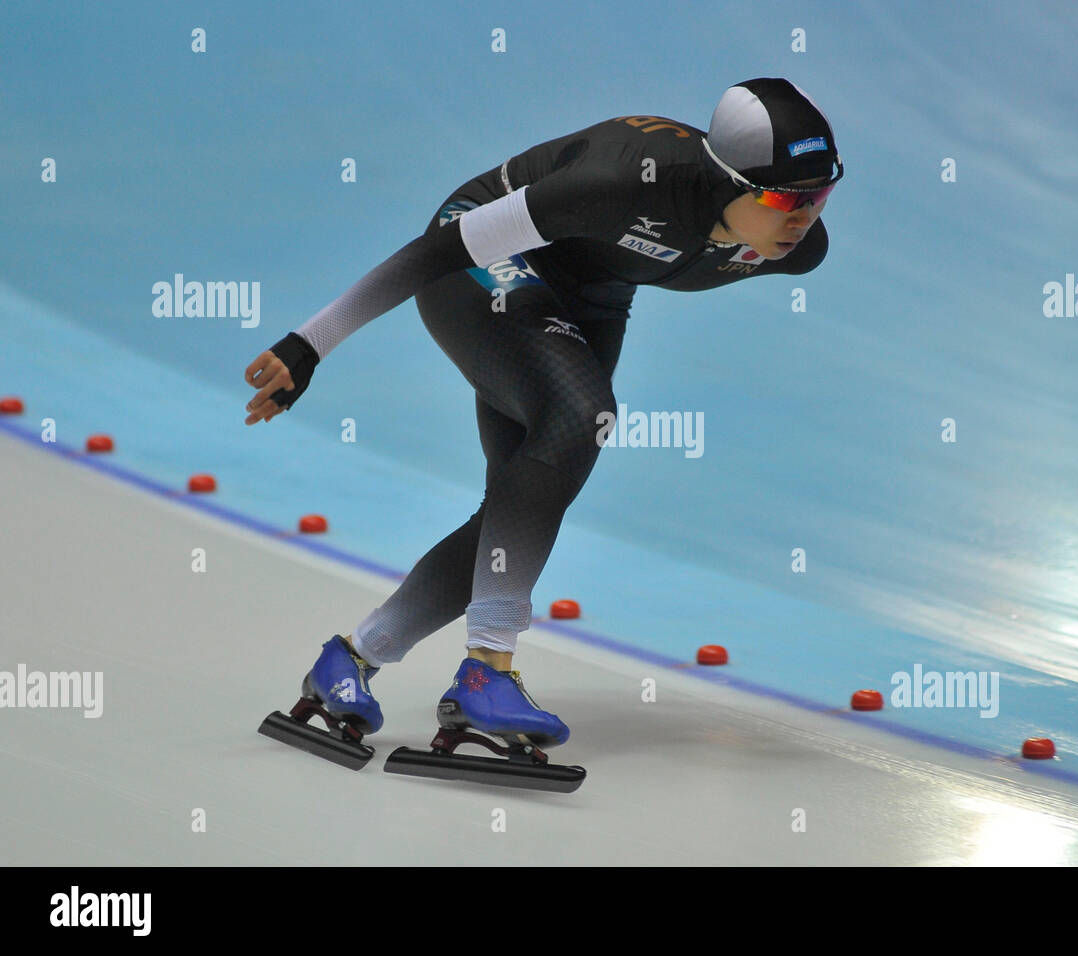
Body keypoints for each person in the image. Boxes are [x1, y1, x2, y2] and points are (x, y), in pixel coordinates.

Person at [246, 77, 842, 769]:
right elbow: (437, 251)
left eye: (819, 195)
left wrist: (781, 210)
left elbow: (689, 247)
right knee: (582, 414)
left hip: (593, 299)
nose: (802, 217)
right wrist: (311, 343)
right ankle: (486, 673)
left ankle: (348, 664)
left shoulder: (795, 246)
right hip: (479, 259)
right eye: (782, 198)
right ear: (722, 180)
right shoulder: (621, 183)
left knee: (521, 504)